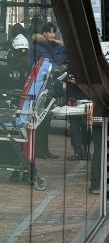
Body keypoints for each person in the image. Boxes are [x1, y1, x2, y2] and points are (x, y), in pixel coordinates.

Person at [32, 22, 67, 160]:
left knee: (47, 121)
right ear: (44, 33)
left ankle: (44, 150)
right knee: (40, 121)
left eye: (53, 32)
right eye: (49, 32)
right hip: (41, 87)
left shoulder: (56, 47)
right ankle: (39, 150)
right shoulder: (37, 47)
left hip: (52, 87)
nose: (51, 34)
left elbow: (62, 58)